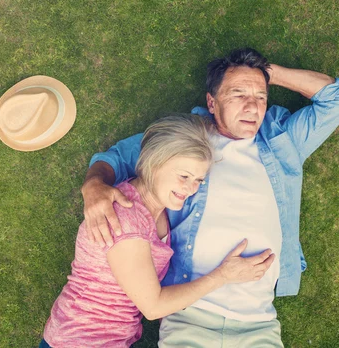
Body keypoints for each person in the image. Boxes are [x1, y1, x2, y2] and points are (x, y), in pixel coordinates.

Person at [81, 48, 339, 346]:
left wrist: (268, 74)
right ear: (212, 102)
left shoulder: (283, 139)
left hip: (258, 320)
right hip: (189, 314)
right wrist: (94, 185)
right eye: (239, 94)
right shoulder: (184, 138)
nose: (252, 107)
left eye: (261, 97)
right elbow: (115, 159)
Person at [41, 114, 275, 348]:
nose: (190, 188)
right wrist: (224, 275)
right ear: (154, 163)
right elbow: (154, 307)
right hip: (78, 340)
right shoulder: (127, 221)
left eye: (198, 180)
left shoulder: (156, 208)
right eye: (183, 176)